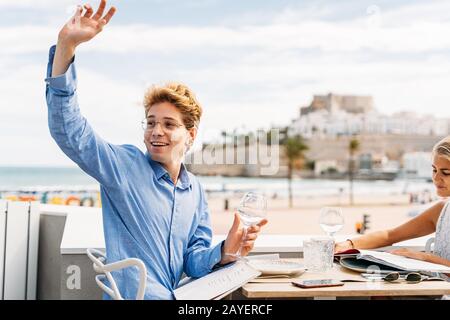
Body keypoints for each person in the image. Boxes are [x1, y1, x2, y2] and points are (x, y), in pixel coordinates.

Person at [45, 1, 267, 299]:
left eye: (168, 124)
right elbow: (70, 132)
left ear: (190, 134)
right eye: (150, 122)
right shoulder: (124, 166)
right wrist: (66, 47)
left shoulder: (195, 191)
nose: (156, 131)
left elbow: (193, 261)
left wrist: (226, 249)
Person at [335, 136, 450, 268]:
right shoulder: (443, 210)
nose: (436, 178)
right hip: (435, 288)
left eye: (446, 173)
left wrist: (424, 258)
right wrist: (348, 244)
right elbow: (390, 235)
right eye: (434, 170)